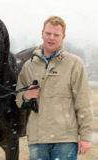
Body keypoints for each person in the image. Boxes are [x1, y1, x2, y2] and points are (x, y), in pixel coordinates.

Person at [16, 16, 93, 160]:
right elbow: (19, 101)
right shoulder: (29, 66)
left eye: (56, 35)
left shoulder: (74, 64)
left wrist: (86, 136)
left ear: (63, 37)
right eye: (48, 33)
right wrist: (26, 96)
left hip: (65, 140)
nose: (51, 38)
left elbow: (83, 102)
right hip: (37, 140)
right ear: (42, 33)